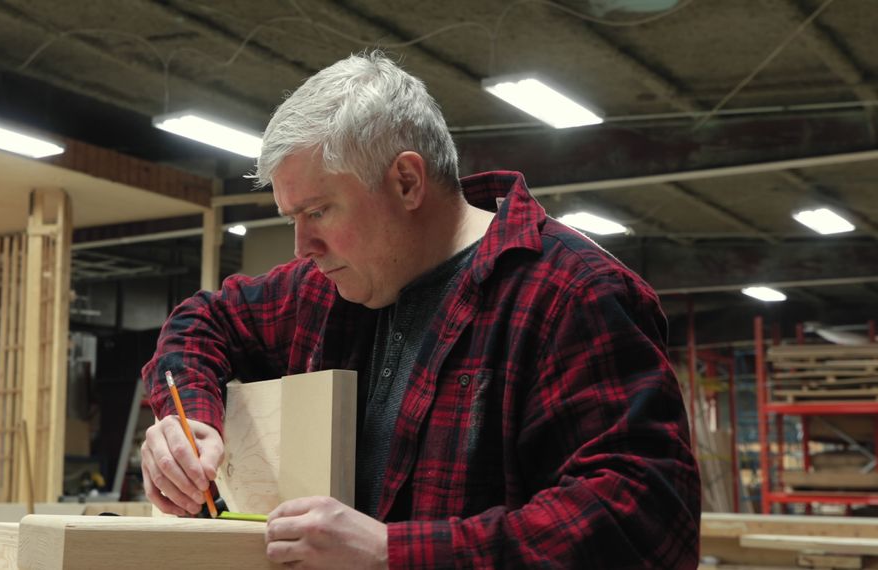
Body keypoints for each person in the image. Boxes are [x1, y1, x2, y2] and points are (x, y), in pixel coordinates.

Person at [140, 50, 699, 568]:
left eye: (318, 211)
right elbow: (201, 321)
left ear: (406, 182)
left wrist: (392, 553)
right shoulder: (326, 288)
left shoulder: (570, 293)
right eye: (292, 217)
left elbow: (644, 522)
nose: (300, 246)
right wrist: (187, 422)